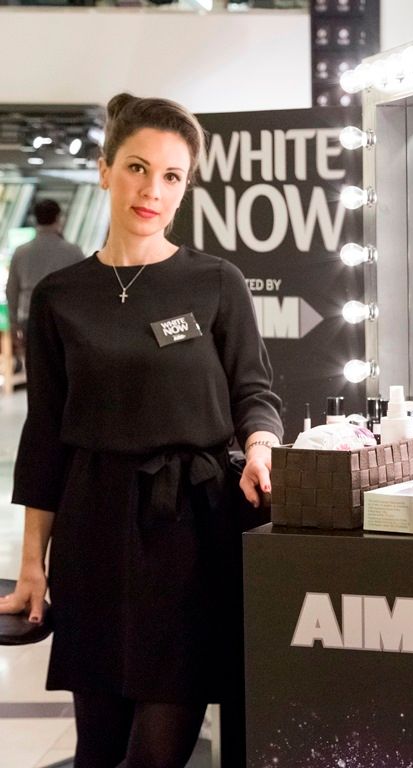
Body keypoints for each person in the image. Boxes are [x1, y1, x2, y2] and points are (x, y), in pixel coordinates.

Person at [0, 93, 283, 768]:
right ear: (105, 171)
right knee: (98, 748)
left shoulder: (216, 282)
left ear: (185, 188)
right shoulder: (61, 296)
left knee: (157, 753)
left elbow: (254, 390)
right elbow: (45, 436)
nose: (152, 189)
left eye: (171, 176)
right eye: (136, 168)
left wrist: (260, 448)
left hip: (191, 529)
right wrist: (33, 565)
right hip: (93, 528)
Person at [6, 198, 84, 352]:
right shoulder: (73, 252)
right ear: (58, 218)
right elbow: (83, 289)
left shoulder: (21, 252)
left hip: (30, 317)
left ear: (35, 219)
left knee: (34, 363)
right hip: (63, 318)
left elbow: (12, 290)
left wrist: (13, 323)